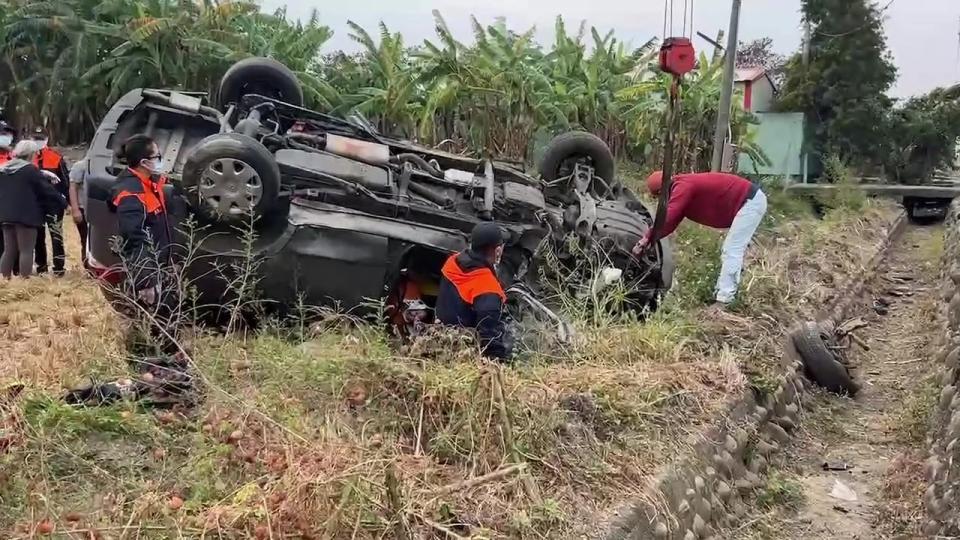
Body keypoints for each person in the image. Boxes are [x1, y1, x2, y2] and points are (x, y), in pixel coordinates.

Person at [634, 170, 768, 307]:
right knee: (732, 250)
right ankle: (724, 292)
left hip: (749, 202)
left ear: (662, 191)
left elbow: (669, 216)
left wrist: (646, 239)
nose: (660, 201)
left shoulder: (683, 187)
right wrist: (650, 240)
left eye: (658, 197)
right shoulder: (681, 186)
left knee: (732, 250)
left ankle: (724, 300)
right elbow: (670, 223)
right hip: (747, 201)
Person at [110, 134, 178, 352]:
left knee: (164, 316)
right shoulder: (131, 193)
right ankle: (145, 360)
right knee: (149, 319)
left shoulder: (148, 184)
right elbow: (134, 236)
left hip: (159, 264)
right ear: (144, 162)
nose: (160, 159)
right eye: (157, 156)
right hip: (147, 269)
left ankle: (164, 359)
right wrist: (146, 280)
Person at [436, 222, 511, 360]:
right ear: (498, 251)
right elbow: (489, 339)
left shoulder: (452, 262)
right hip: (462, 350)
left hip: (440, 335)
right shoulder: (488, 289)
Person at [0, 140, 67, 278]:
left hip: (6, 215)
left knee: (9, 250)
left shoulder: (4, 169)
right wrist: (63, 202)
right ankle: (25, 281)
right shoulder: (30, 170)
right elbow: (47, 190)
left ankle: (4, 280)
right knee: (26, 250)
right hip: (26, 216)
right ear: (31, 154)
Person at [31, 128, 70, 276]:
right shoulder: (28, 157)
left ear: (47, 139)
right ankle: (41, 267)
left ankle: (59, 267)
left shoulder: (55, 157)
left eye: (41, 138)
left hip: (54, 203)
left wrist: (67, 202)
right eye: (35, 138)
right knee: (38, 236)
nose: (38, 141)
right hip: (36, 203)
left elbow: (65, 181)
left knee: (56, 235)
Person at [68, 157, 89, 268]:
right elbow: (72, 188)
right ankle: (86, 267)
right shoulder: (81, 165)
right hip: (83, 209)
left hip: (98, 210)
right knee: (85, 240)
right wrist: (75, 210)